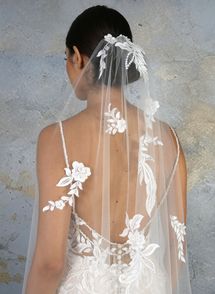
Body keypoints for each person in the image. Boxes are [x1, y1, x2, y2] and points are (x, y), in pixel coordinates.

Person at [22, 5, 192, 294]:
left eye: (66, 58)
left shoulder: (57, 139)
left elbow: (50, 263)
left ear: (77, 57)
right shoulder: (168, 139)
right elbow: (177, 252)